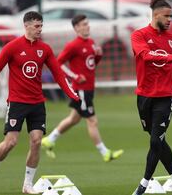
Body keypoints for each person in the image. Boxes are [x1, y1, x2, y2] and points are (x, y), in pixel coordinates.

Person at [0, 11, 79, 194]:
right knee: (10, 143)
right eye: (36, 26)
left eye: (41, 26)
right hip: (17, 103)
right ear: (26, 26)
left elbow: (58, 74)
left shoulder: (45, 49)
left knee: (37, 141)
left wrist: (72, 94)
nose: (40, 29)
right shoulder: (12, 47)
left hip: (37, 103)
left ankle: (27, 185)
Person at [41, 14, 124, 162]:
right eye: (84, 24)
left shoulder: (91, 43)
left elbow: (91, 65)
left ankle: (49, 139)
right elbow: (57, 63)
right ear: (77, 28)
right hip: (81, 89)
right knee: (92, 121)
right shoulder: (73, 45)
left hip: (88, 88)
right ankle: (105, 153)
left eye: (88, 23)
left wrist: (98, 56)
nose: (88, 26)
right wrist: (75, 76)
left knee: (73, 119)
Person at [130, 0, 172, 195]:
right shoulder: (139, 35)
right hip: (144, 96)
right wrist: (171, 58)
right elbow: (145, 56)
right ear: (155, 15)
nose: (170, 20)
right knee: (157, 140)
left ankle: (143, 185)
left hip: (164, 97)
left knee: (155, 140)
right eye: (167, 16)